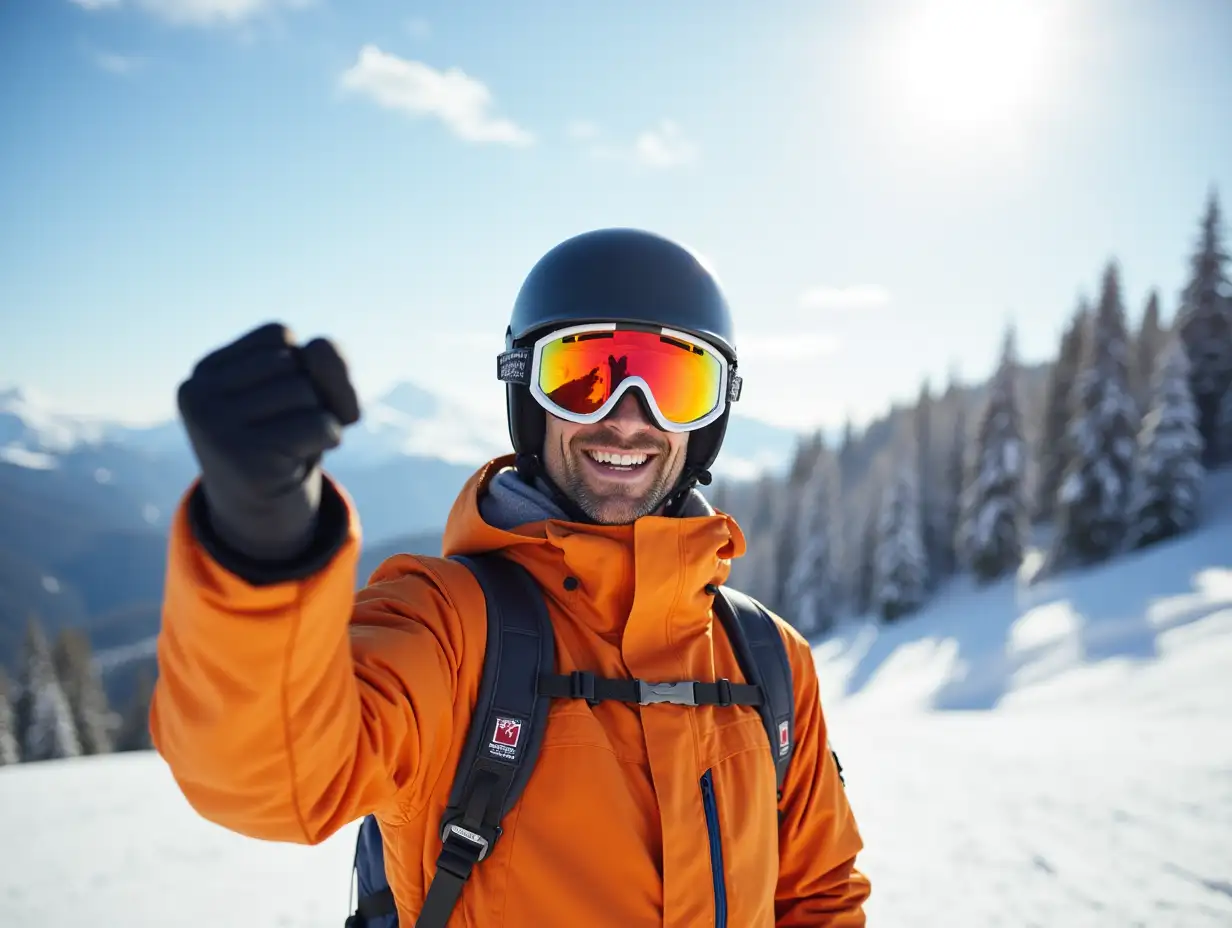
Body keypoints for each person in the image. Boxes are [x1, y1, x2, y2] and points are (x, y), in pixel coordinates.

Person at [150, 227, 870, 926]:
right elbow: (276, 778)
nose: (627, 420)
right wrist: (259, 541)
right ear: (528, 395)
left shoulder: (769, 661)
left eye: (674, 386)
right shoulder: (449, 626)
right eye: (583, 378)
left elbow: (819, 894)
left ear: (709, 418)